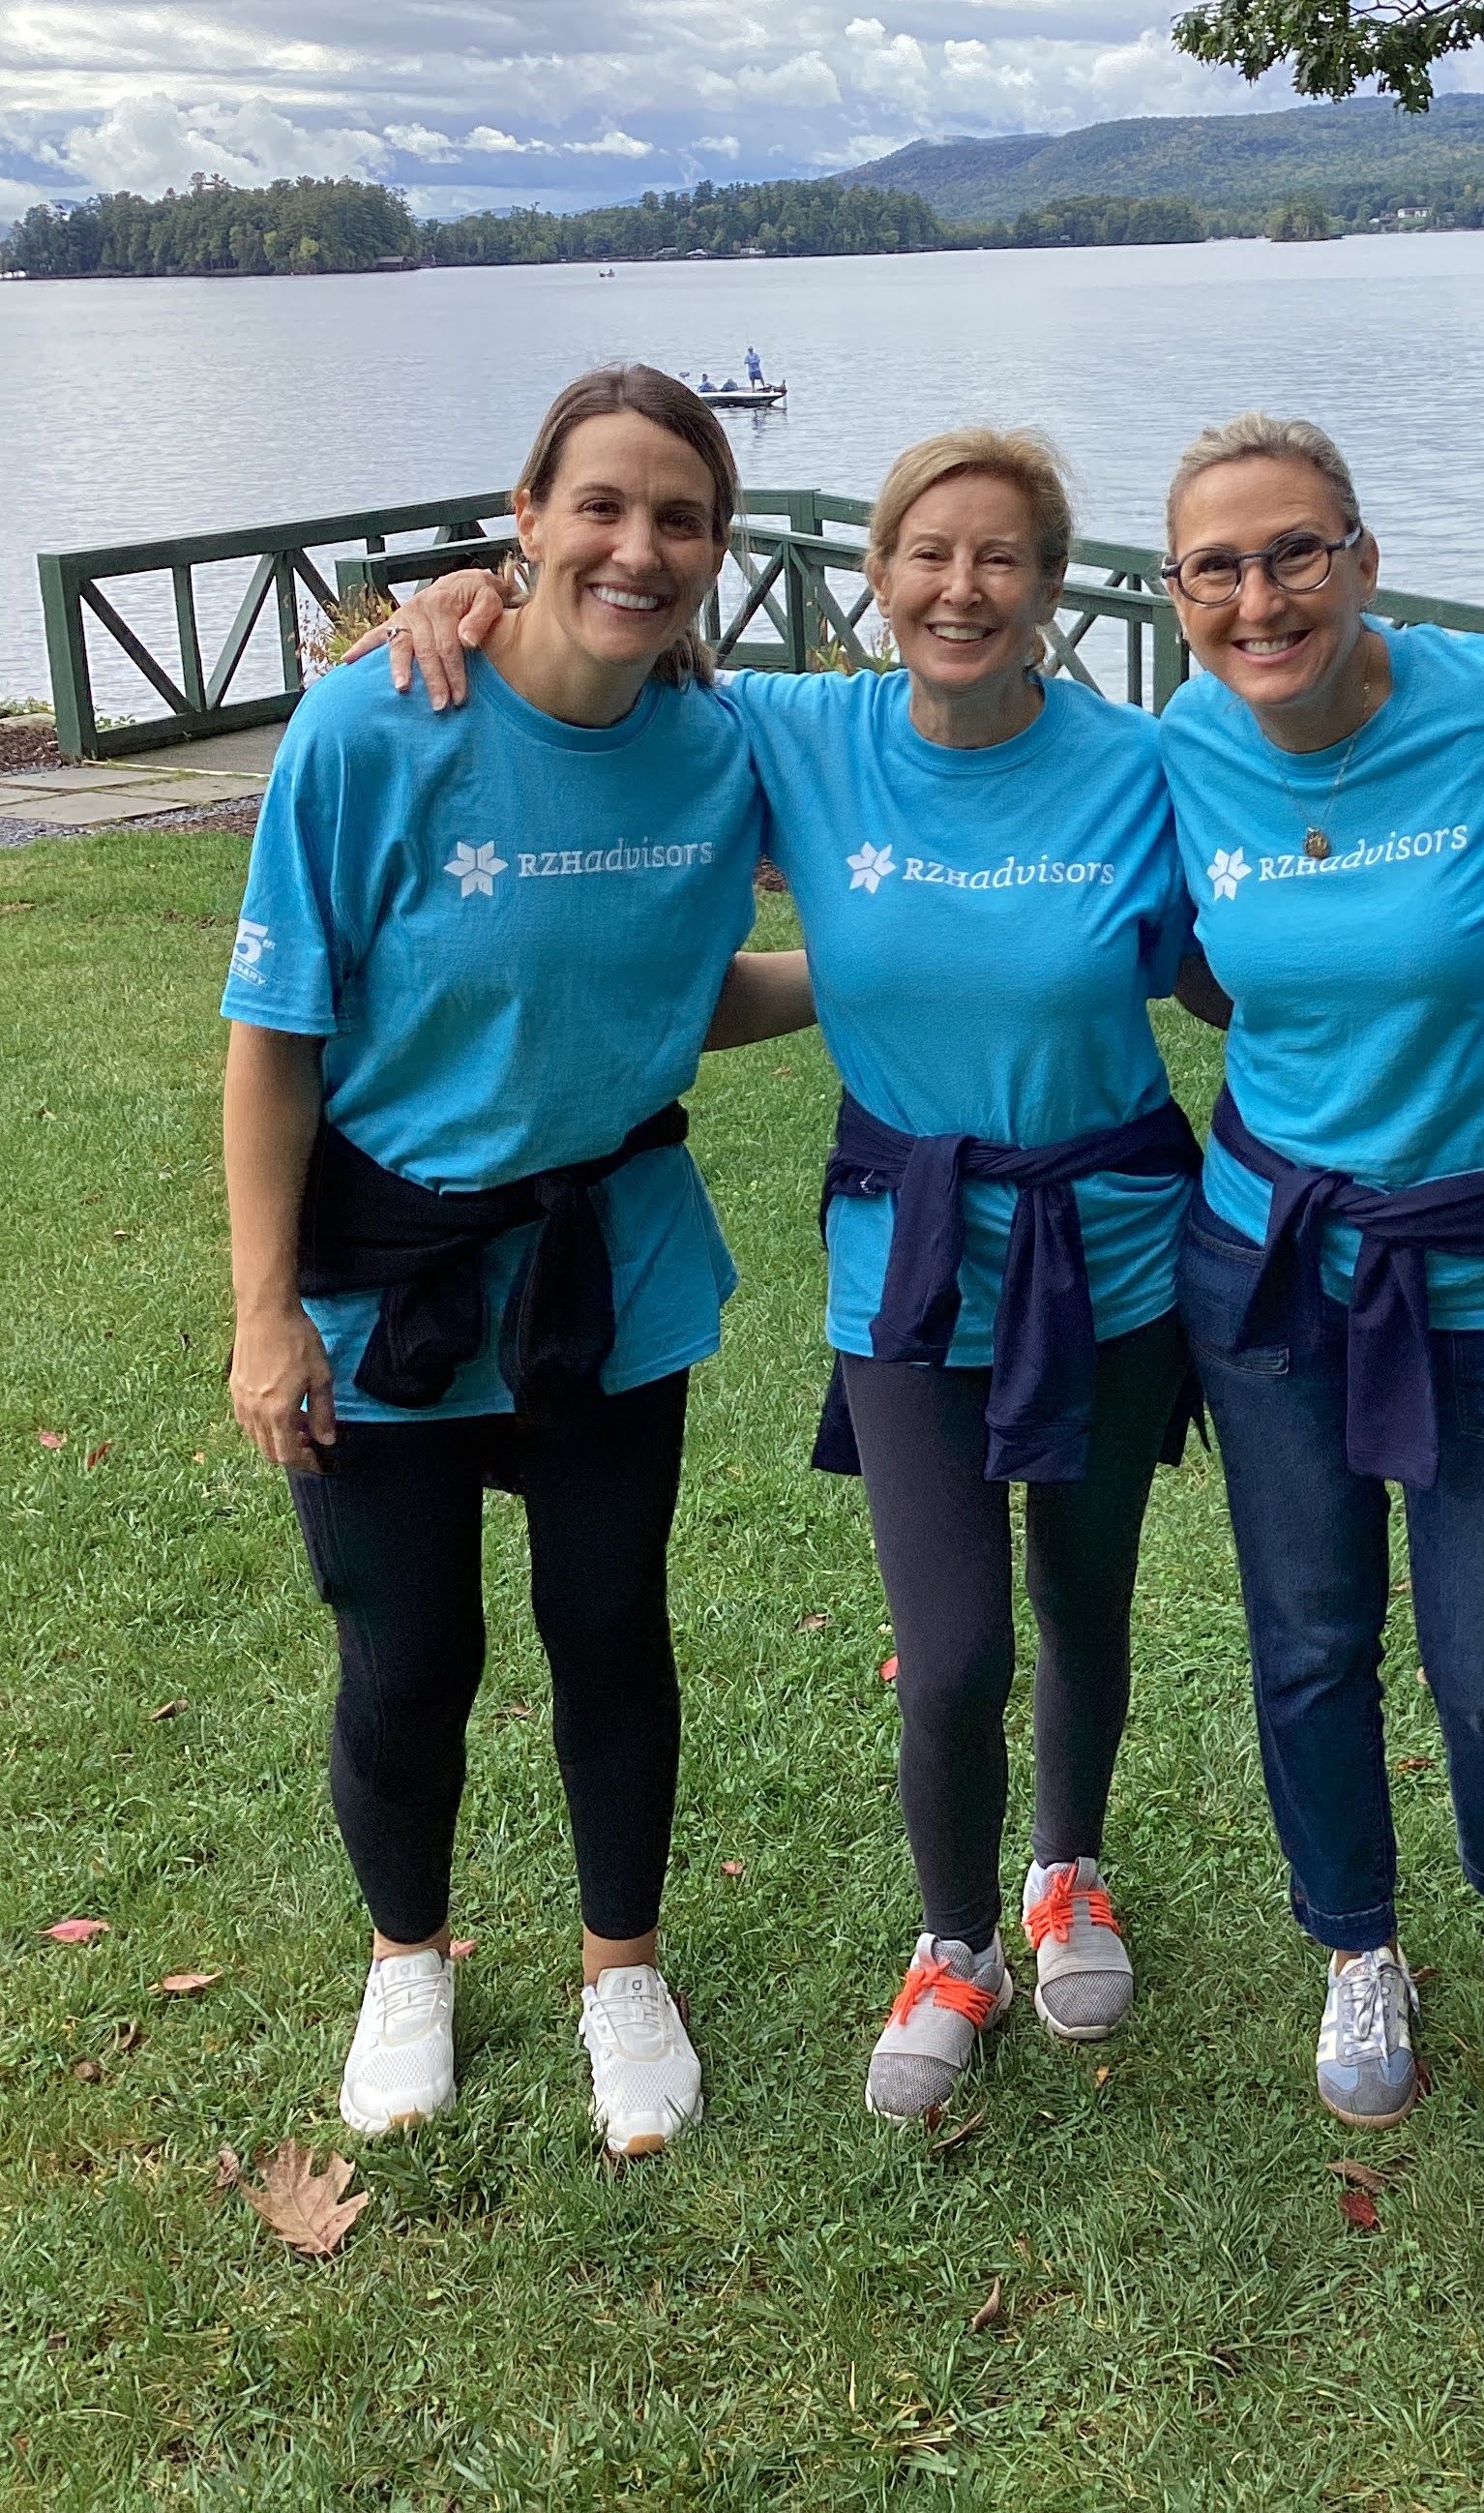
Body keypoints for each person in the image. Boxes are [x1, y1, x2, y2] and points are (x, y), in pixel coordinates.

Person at [387, 430, 1201, 2125]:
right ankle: (953, 1945)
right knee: (954, 1644)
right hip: (909, 1264)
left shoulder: (1145, 765)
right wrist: (475, 596)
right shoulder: (795, 732)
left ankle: (1068, 1870)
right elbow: (605, 661)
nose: (962, 589)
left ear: (1055, 587)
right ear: (874, 578)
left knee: (1085, 1596)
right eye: (928, 554)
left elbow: (1261, 910)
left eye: (1002, 558)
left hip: (1113, 1248)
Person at [223, 367, 762, 2159]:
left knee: (609, 1628)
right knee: (406, 1654)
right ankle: (408, 1961)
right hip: (387, 1282)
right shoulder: (375, 725)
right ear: (524, 517)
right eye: (599, 506)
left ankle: (624, 1972)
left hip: (609, 1273)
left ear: (717, 550)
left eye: (678, 518)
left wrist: (894, 972)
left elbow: (690, 980)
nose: (637, 547)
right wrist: (265, 1310)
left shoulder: (725, 747)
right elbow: (276, 1038)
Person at [1157, 412, 1484, 2130]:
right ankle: (1355, 1940)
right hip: (1277, 1265)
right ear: (1177, 597)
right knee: (1310, 1634)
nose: (1261, 598)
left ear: (1364, 559)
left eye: (1296, 551)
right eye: (1217, 568)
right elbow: (1183, 953)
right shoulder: (1180, 748)